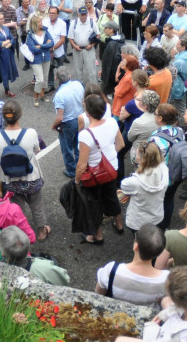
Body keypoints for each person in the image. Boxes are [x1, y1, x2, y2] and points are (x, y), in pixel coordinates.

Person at [0, 101, 49, 239]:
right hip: (31, 178)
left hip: (10, 179)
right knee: (37, 205)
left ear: (3, 117)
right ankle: (41, 231)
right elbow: (37, 149)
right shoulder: (30, 133)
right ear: (20, 114)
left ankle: (22, 231)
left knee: (17, 207)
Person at [76, 93, 125, 243]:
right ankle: (119, 224)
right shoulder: (111, 122)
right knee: (111, 197)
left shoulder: (85, 134)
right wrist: (108, 158)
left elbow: (82, 164)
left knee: (94, 203)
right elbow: (121, 144)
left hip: (94, 175)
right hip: (111, 169)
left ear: (88, 113)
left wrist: (77, 181)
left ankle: (97, 235)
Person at [95, 224, 169, 306]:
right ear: (159, 253)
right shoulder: (165, 279)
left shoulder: (112, 270)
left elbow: (98, 295)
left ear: (136, 246)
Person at [120, 142, 168, 234]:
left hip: (139, 221)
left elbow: (124, 186)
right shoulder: (164, 169)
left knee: (139, 241)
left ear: (143, 160)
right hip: (157, 215)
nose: (135, 155)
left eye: (137, 153)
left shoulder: (134, 182)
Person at [52, 68, 85, 178]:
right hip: (81, 118)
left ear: (57, 78)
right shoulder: (78, 84)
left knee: (66, 148)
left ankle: (71, 171)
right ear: (69, 76)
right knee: (78, 145)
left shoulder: (59, 95)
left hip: (68, 123)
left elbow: (60, 117)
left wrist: (53, 126)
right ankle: (80, 166)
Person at [25, 14, 54, 107]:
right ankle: (36, 96)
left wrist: (41, 46)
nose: (42, 23)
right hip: (36, 59)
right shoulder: (30, 35)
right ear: (35, 24)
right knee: (39, 79)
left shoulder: (45, 31)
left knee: (45, 78)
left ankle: (42, 94)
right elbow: (32, 49)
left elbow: (52, 43)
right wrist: (46, 46)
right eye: (40, 22)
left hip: (46, 57)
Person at [0, 11, 18, 98]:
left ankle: (7, 90)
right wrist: (7, 42)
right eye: (0, 19)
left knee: (7, 72)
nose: (2, 20)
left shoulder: (5, 28)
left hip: (7, 55)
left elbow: (12, 39)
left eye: (3, 18)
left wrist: (8, 43)